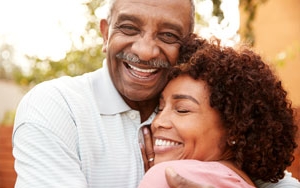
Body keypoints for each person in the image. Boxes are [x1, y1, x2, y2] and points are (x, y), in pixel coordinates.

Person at [12, 0, 299, 187]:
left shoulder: (210, 103)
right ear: (104, 34)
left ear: (187, 45)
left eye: (168, 36)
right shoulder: (56, 107)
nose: (145, 51)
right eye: (128, 28)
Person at [139, 36, 299, 188]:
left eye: (182, 110)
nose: (158, 121)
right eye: (160, 109)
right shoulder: (242, 182)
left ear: (234, 131)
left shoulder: (168, 176)